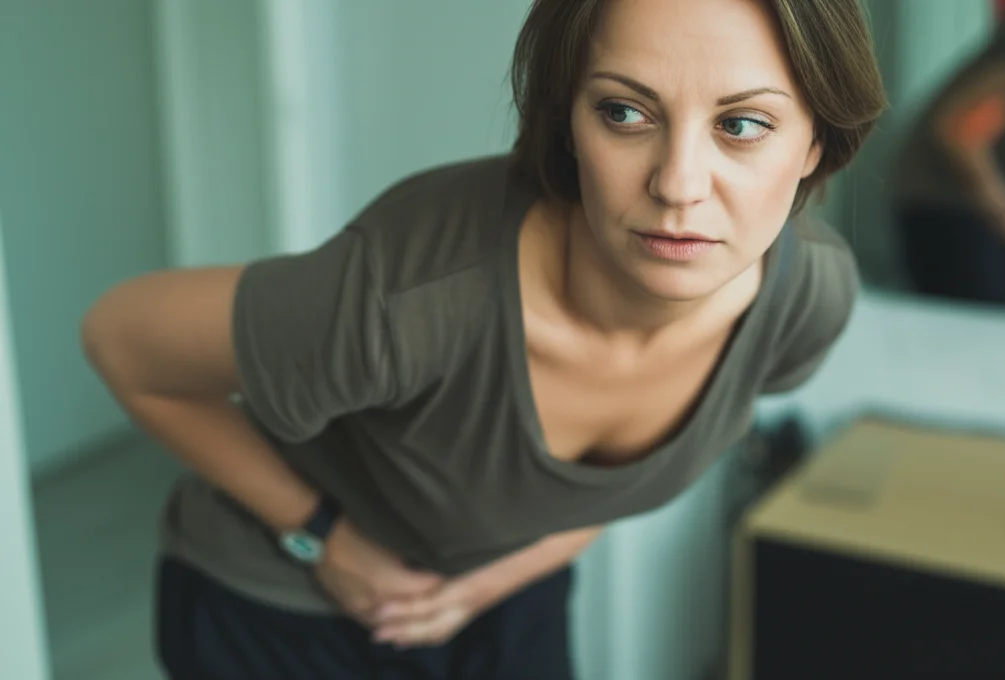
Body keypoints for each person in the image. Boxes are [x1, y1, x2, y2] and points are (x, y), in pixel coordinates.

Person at [81, 0, 885, 677]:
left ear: (816, 141)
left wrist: (497, 580)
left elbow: (700, 438)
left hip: (501, 588)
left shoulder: (806, 296)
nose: (677, 184)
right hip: (283, 604)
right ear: (568, 121)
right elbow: (119, 339)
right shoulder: (410, 300)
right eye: (624, 112)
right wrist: (322, 537)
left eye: (742, 125)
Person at [891, 5, 1005, 306]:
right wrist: (1001, 205)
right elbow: (961, 132)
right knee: (984, 331)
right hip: (947, 207)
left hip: (968, 210)